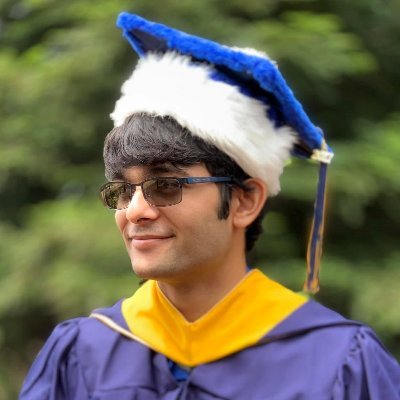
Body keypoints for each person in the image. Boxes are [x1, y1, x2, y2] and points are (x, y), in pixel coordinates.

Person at [19, 13, 400, 400]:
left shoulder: (339, 363)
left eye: (166, 185)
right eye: (123, 190)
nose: (134, 211)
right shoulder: (81, 356)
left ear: (245, 200)